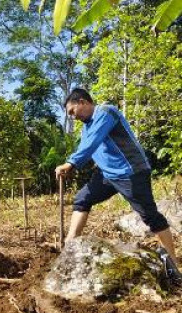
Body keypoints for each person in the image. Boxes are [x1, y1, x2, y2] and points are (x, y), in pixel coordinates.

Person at [55, 88, 181, 285]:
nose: (72, 117)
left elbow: (92, 143)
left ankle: (174, 265)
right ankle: (70, 243)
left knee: (150, 216)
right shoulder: (86, 127)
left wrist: (71, 163)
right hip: (107, 174)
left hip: (131, 172)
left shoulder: (106, 112)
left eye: (72, 111)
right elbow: (84, 146)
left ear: (82, 102)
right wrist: (72, 162)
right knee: (82, 198)